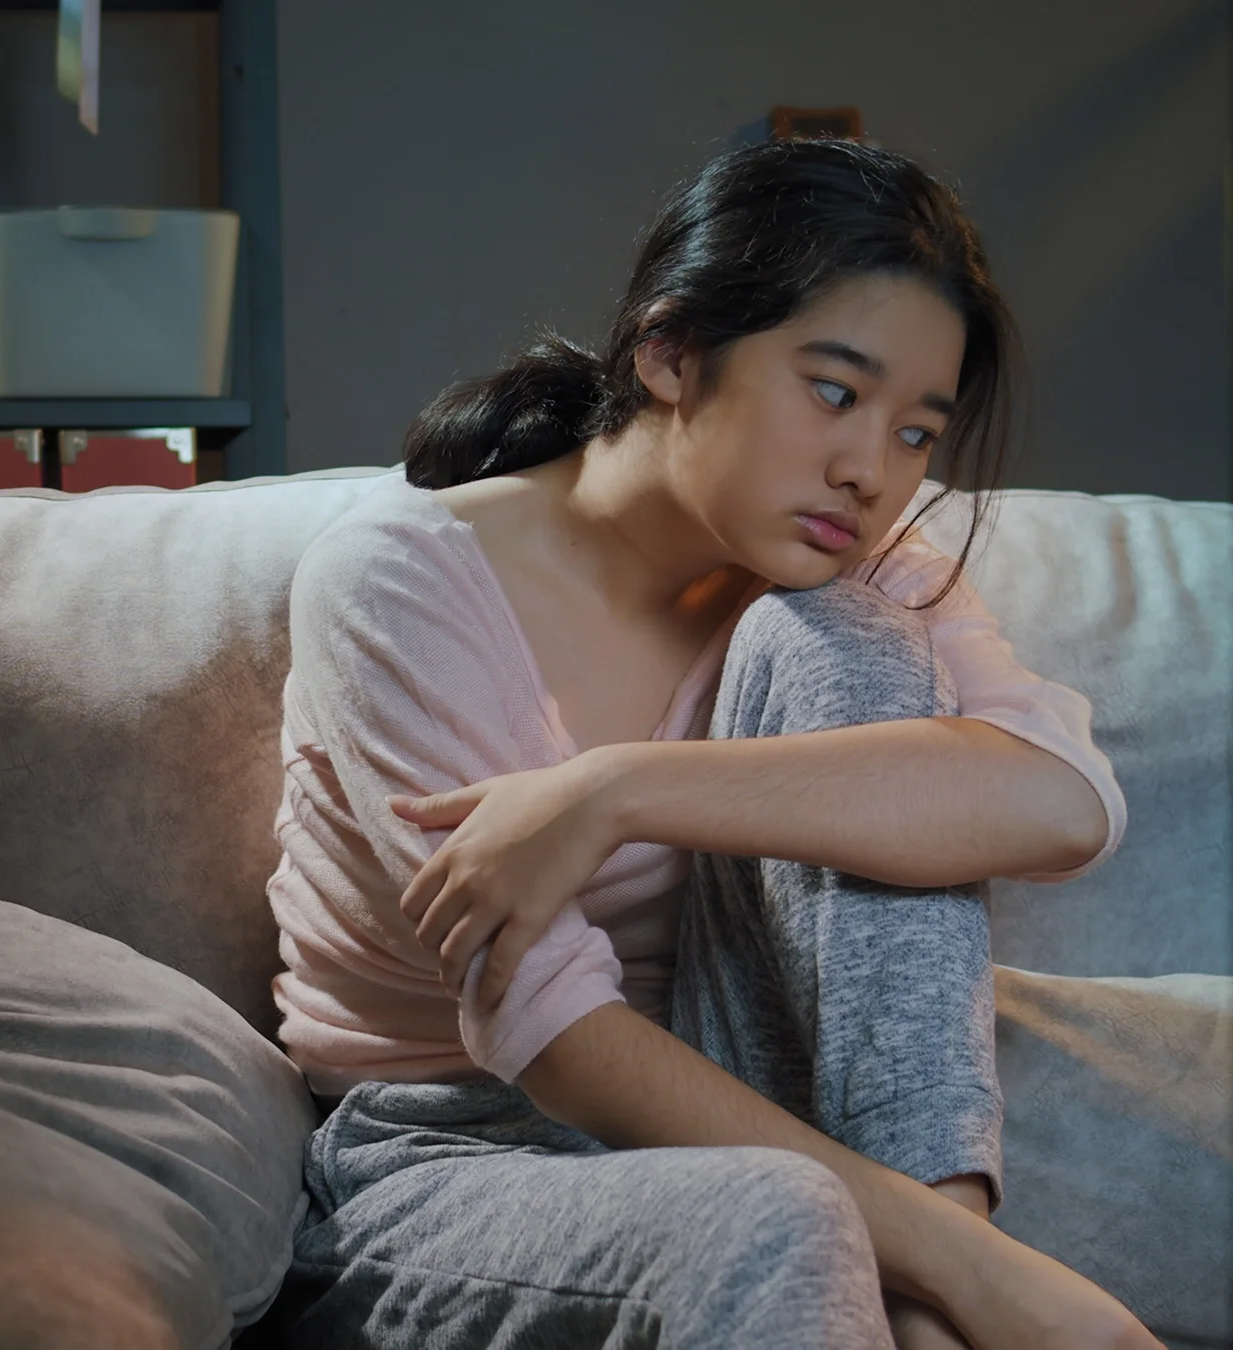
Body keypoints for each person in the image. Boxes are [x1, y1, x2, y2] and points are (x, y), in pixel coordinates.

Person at [266, 138, 1162, 1349]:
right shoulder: (401, 584)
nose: (871, 472)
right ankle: (950, 1273)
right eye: (835, 392)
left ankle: (929, 1295)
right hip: (456, 1149)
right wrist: (985, 1271)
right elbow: (549, 1033)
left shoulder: (863, 571)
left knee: (847, 641)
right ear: (672, 352)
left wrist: (620, 788)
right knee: (778, 1217)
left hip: (759, 1091)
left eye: (916, 432)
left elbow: (1065, 805)